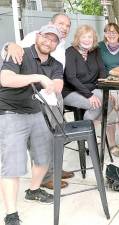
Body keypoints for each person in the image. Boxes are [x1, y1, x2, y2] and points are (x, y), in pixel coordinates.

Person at [2, 13, 73, 190]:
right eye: (60, 23)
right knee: (41, 139)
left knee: (55, 134)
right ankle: (47, 177)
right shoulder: (36, 38)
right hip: (31, 98)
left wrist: (56, 86)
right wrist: (8, 45)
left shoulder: (61, 46)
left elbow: (58, 75)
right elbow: (13, 51)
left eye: (67, 25)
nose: (64, 27)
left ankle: (55, 168)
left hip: (52, 95)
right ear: (50, 24)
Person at [0, 24, 63, 225]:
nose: (49, 42)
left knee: (44, 157)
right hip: (11, 112)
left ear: (57, 44)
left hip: (37, 112)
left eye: (54, 40)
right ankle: (11, 214)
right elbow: (6, 79)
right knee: (13, 165)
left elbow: (57, 85)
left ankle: (33, 190)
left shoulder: (55, 64)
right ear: (38, 36)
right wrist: (38, 77)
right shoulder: (19, 52)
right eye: (46, 37)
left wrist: (53, 86)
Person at [63, 25, 111, 122]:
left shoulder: (95, 51)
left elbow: (102, 70)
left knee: (109, 102)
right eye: (83, 37)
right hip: (71, 91)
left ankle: (95, 128)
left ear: (94, 39)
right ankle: (86, 133)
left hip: (92, 88)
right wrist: (89, 95)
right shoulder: (70, 52)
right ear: (78, 38)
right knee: (96, 105)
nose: (87, 40)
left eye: (90, 37)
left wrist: (104, 90)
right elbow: (71, 78)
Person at [98, 23, 119, 157]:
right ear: (105, 34)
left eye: (114, 32)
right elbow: (98, 66)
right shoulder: (99, 47)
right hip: (108, 84)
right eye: (108, 32)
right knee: (110, 115)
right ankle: (112, 143)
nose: (111, 34)